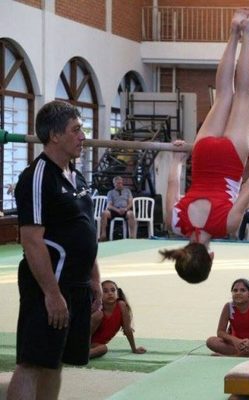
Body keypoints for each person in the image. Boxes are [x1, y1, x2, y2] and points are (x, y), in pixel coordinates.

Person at [161, 9, 249, 284]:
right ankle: (233, 32)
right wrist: (178, 158)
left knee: (244, 96)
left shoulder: (227, 226)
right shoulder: (175, 224)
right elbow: (171, 185)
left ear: (211, 258)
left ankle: (248, 32)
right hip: (201, 155)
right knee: (224, 94)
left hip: (229, 161)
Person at [7, 101, 103, 400]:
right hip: (48, 284)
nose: (83, 136)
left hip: (76, 284)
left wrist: (95, 279)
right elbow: (32, 240)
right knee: (32, 363)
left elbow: (86, 232)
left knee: (55, 362)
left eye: (82, 129)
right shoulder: (37, 177)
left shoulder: (78, 176)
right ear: (54, 136)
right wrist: (51, 293)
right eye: (76, 130)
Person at [206, 278, 249, 357]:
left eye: (242, 290)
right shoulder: (228, 307)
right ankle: (242, 354)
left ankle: (232, 356)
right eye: (235, 290)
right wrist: (235, 340)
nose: (238, 293)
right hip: (234, 344)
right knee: (211, 341)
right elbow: (220, 332)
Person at [89, 280, 146, 358]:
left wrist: (134, 349)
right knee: (99, 315)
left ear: (118, 293)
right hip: (83, 341)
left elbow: (127, 329)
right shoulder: (97, 310)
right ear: (99, 295)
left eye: (113, 290)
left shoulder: (121, 306)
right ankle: (78, 350)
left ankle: (81, 355)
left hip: (95, 345)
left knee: (103, 348)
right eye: (105, 291)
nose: (110, 293)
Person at [99, 176, 135, 241]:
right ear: (114, 184)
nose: (120, 185)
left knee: (131, 214)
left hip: (125, 210)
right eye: (118, 183)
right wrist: (117, 210)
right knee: (104, 213)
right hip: (114, 210)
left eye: (121, 183)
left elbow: (130, 203)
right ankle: (103, 235)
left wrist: (126, 209)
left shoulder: (127, 191)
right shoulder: (110, 192)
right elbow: (109, 205)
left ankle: (132, 236)